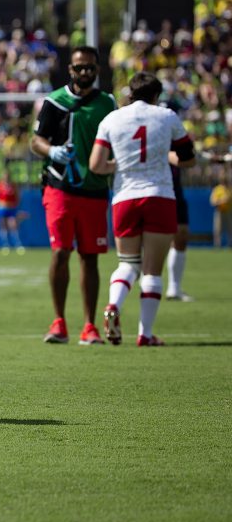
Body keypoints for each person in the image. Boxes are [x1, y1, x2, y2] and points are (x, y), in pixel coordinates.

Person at [89, 72, 196, 346]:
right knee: (151, 271)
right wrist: (166, 156)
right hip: (159, 195)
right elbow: (187, 158)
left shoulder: (111, 119)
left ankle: (113, 304)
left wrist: (121, 164)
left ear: (129, 93)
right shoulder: (166, 116)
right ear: (156, 95)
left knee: (127, 263)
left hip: (125, 197)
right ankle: (145, 335)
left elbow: (97, 165)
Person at [31, 45, 117, 345]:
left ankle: (90, 325)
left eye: (90, 67)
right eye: (80, 67)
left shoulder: (107, 103)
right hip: (60, 187)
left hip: (94, 189)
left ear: (97, 69)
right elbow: (36, 141)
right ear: (70, 69)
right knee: (60, 251)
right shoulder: (55, 101)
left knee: (90, 257)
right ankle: (59, 321)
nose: (85, 72)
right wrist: (53, 151)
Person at [164, 164, 192, 300]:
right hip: (155, 190)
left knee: (181, 236)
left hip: (175, 190)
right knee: (154, 238)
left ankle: (174, 288)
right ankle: (147, 280)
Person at [0, 167, 24, 254]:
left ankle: (18, 244)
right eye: (4, 175)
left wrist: (16, 205)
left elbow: (17, 196)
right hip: (2, 208)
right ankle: (5, 245)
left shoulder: (13, 185)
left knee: (13, 225)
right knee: (3, 226)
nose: (6, 177)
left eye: (7, 175)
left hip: (11, 208)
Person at [212, 170, 231, 248]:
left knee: (230, 229)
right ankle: (217, 245)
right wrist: (222, 200)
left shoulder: (230, 189)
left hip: (229, 211)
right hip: (219, 211)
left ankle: (230, 244)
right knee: (217, 229)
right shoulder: (217, 189)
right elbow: (213, 201)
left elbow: (229, 199)